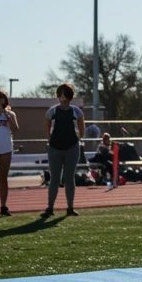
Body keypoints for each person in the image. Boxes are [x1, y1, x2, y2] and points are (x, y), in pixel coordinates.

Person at [42, 83, 85, 218]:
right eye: (60, 95)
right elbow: (47, 125)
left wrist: (78, 138)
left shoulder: (76, 111)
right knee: (54, 178)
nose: (62, 98)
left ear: (70, 96)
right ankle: (50, 207)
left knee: (69, 177)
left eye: (65, 95)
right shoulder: (52, 111)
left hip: (72, 147)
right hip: (55, 148)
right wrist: (50, 139)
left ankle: (70, 207)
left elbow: (81, 126)